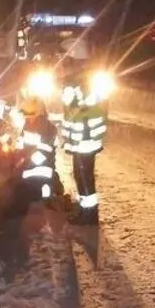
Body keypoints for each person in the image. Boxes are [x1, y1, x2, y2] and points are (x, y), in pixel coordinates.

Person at [59, 59, 108, 225]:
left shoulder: (74, 88)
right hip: (88, 141)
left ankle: (88, 215)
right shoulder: (88, 86)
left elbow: (70, 105)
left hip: (83, 142)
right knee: (85, 176)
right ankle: (87, 211)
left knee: (83, 178)